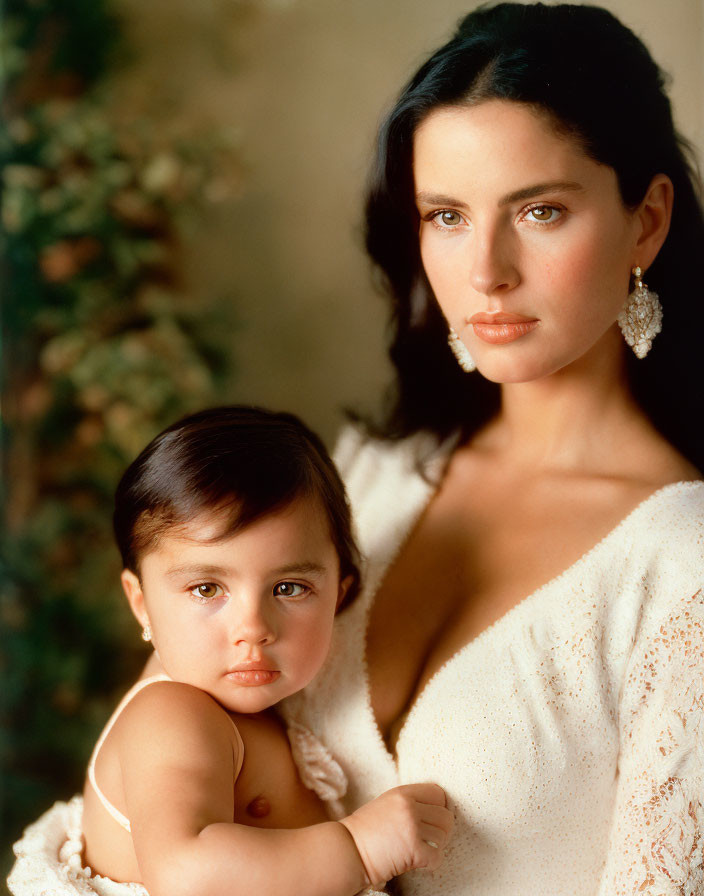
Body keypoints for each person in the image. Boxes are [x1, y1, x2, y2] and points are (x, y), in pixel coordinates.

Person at [283, 4, 704, 895]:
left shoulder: (684, 565)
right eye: (446, 215)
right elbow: (148, 787)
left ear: (648, 221)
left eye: (540, 210)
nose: (484, 272)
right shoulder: (368, 475)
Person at [8, 406, 454, 896]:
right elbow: (185, 873)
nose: (253, 629)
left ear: (340, 595)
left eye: (289, 588)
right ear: (142, 605)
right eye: (206, 590)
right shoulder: (171, 715)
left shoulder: (250, 708)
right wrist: (361, 849)